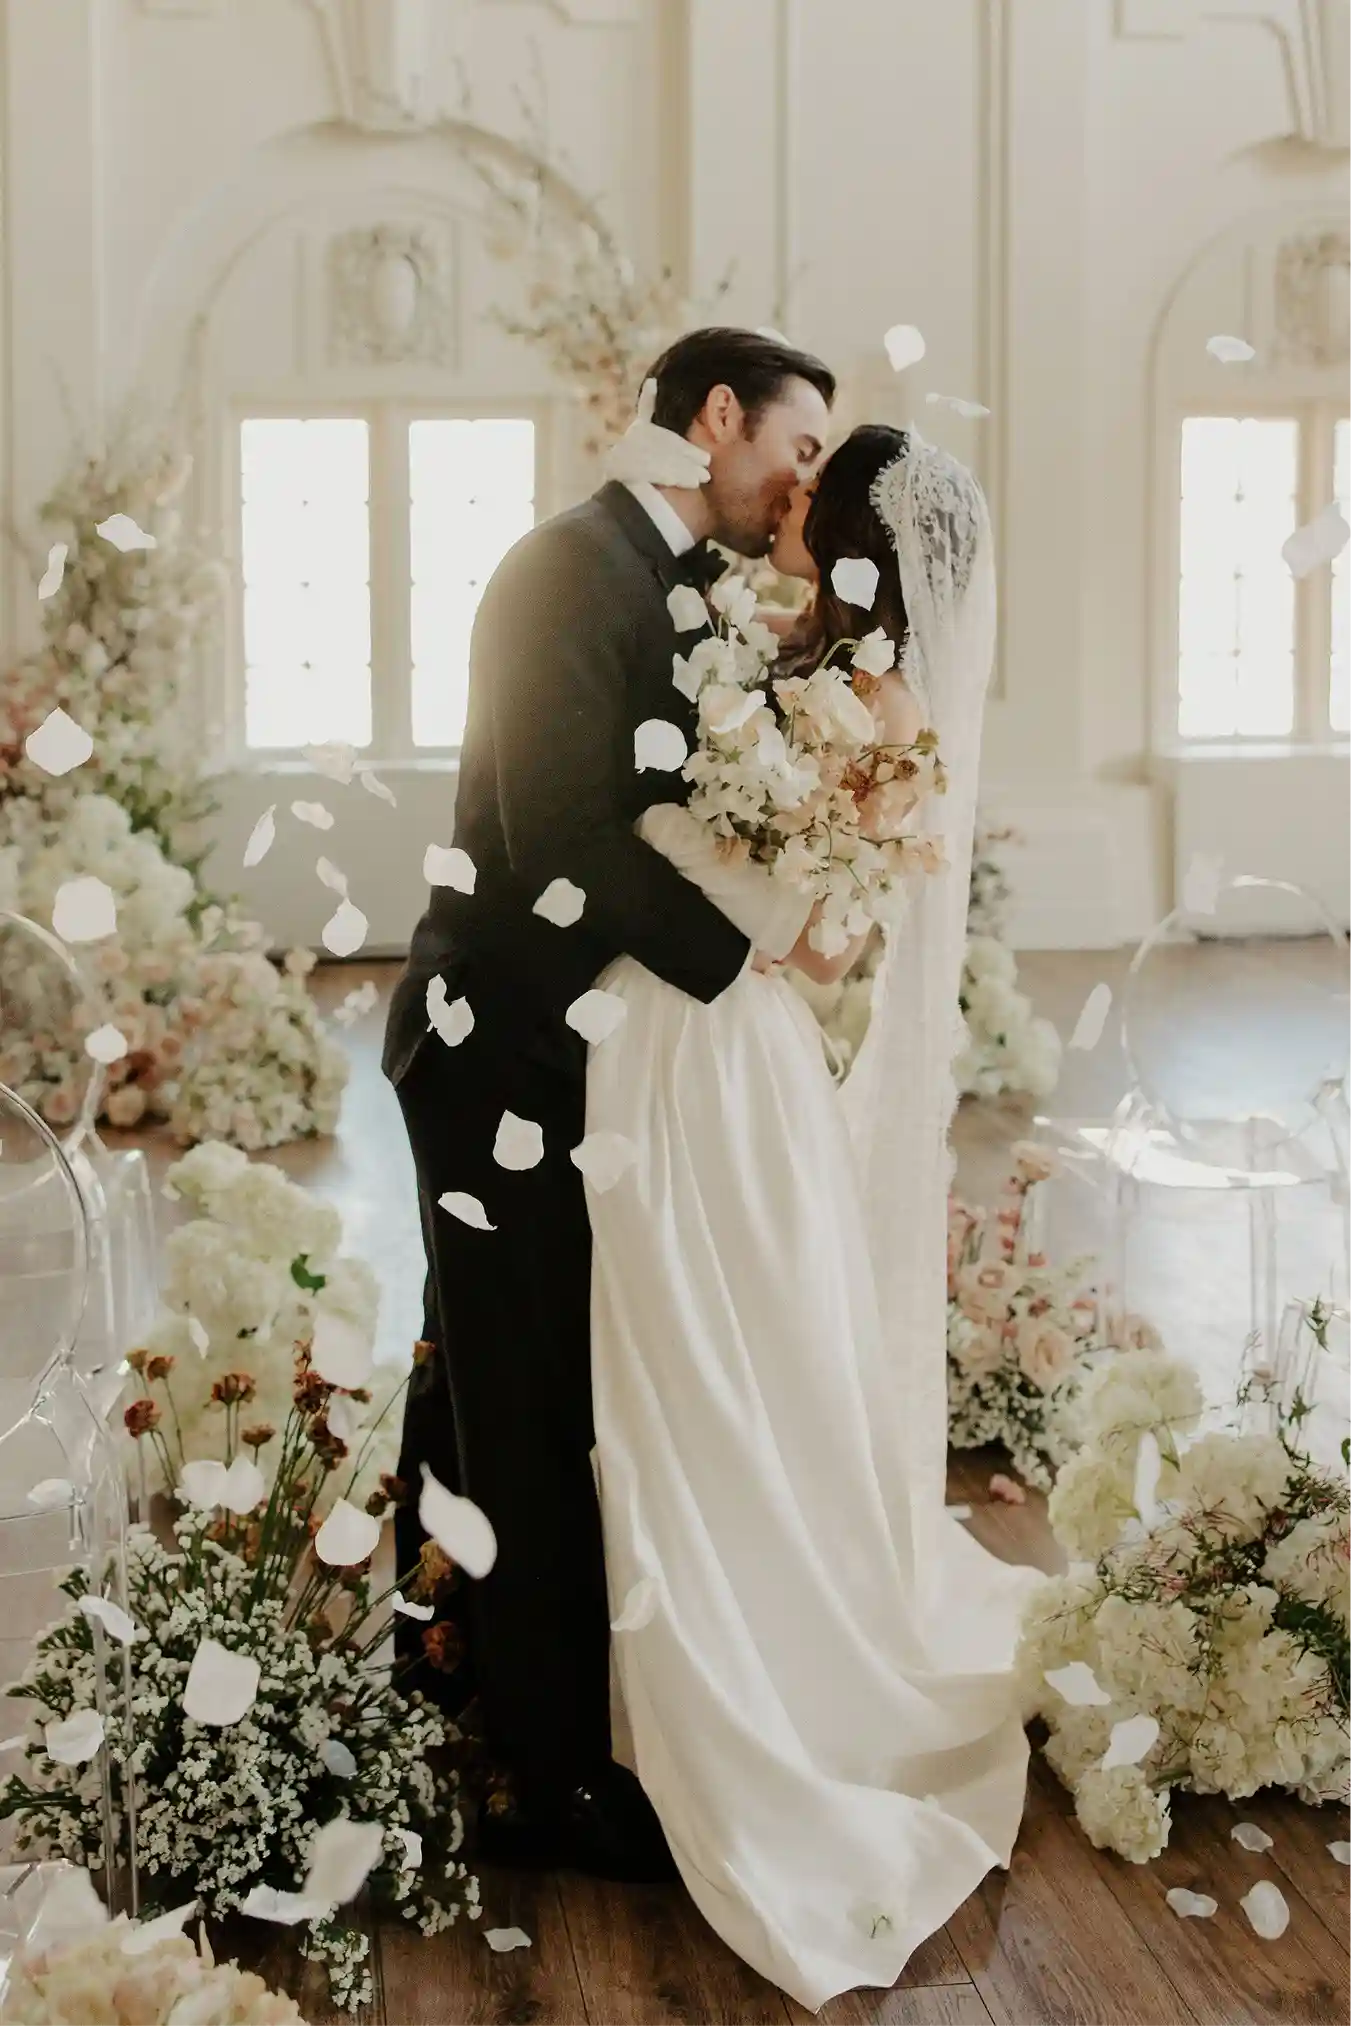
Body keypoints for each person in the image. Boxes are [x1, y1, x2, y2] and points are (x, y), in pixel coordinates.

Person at [582, 420, 1042, 2007]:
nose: (783, 495)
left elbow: (814, 937)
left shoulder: (845, 705)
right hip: (729, 1051)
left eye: (807, 486)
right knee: (719, 1352)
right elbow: (828, 952)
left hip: (701, 1047)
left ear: (845, 537)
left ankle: (721, 1691)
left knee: (694, 1359)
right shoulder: (830, 679)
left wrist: (682, 839)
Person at [381, 328, 835, 1881]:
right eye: (796, 443)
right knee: (515, 1395)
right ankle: (543, 1775)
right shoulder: (568, 569)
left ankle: (439, 1666)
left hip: (571, 1047)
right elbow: (555, 830)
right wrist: (749, 948)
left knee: (493, 1369)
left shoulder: (678, 579)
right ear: (716, 415)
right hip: (494, 1042)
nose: (802, 479)